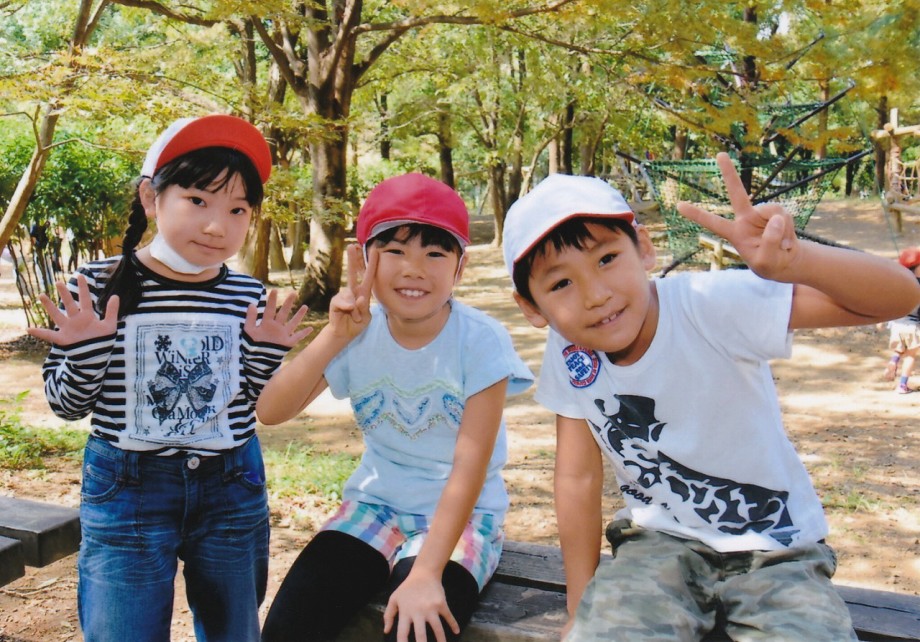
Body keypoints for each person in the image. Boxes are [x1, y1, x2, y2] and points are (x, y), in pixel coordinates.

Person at [501, 153, 920, 642]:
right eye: (561, 283)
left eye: (607, 259)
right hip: (658, 547)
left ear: (644, 248)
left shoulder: (709, 303)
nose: (595, 294)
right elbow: (577, 476)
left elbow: (900, 297)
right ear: (531, 307)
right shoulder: (569, 348)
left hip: (776, 548)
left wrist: (798, 262)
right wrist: (580, 606)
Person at [29, 114, 311, 642]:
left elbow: (251, 401)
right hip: (127, 489)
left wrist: (266, 354)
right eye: (198, 200)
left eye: (237, 210)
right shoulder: (96, 284)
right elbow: (66, 404)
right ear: (150, 197)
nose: (217, 226)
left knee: (234, 632)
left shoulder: (247, 295)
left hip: (231, 486)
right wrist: (87, 351)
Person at [257, 173, 533, 642]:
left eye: (435, 254)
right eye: (395, 251)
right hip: (375, 507)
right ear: (366, 259)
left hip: (463, 516)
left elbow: (470, 467)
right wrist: (335, 335)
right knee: (288, 628)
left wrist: (425, 573)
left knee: (417, 629)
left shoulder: (480, 341)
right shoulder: (356, 333)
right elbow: (271, 410)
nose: (414, 269)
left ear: (460, 267)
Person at [883, 247, 920, 393]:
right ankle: (902, 385)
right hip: (912, 326)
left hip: (896, 323)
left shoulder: (899, 283)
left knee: (900, 348)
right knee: (910, 355)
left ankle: (893, 362)